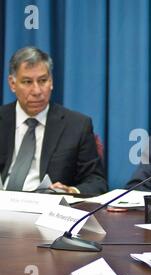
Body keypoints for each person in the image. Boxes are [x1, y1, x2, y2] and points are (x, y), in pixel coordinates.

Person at [0, 46, 107, 195]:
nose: (37, 91)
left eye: (43, 80)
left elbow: (97, 182)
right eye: (27, 82)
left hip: (47, 210)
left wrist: (70, 191)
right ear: (12, 84)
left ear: (51, 81)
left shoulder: (77, 125)